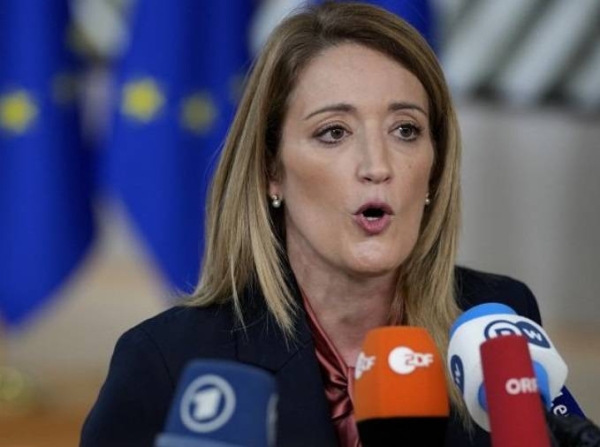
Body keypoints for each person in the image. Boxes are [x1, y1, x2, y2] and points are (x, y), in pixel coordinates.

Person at [80, 2, 543, 446]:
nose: (377, 165)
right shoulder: (167, 362)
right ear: (271, 172)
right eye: (334, 132)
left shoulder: (497, 322)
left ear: (434, 168)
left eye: (405, 130)